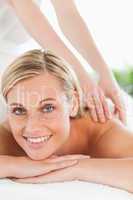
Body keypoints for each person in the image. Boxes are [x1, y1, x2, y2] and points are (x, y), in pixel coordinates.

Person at [0, 49, 133, 192]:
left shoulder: (100, 129)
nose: (32, 128)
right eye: (19, 110)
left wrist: (75, 168)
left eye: (48, 108)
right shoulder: (7, 135)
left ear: (74, 104)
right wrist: (14, 165)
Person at [5, 0, 126, 123]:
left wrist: (105, 74)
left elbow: (68, 13)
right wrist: (81, 78)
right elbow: (31, 15)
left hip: (16, 55)